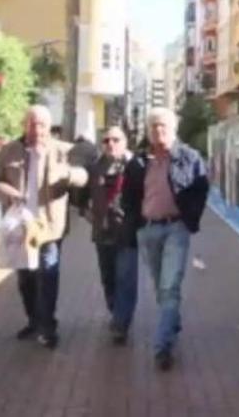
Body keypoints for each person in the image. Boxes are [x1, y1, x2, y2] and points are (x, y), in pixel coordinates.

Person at [0, 105, 88, 349]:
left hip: (49, 226)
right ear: (25, 125)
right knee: (26, 278)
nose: (38, 130)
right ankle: (34, 320)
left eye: (42, 125)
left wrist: (66, 173)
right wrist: (10, 194)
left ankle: (47, 326)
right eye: (33, 124)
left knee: (48, 273)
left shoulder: (63, 150)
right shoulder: (9, 151)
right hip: (21, 224)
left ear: (49, 127)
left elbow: (84, 175)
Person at [121, 107, 208, 371]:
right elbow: (129, 197)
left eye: (164, 126)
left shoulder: (189, 158)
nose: (159, 131)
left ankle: (162, 346)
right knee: (161, 286)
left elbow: (201, 189)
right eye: (154, 126)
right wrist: (135, 224)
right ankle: (173, 320)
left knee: (170, 286)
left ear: (174, 129)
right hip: (148, 230)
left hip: (176, 229)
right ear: (148, 131)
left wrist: (190, 217)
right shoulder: (138, 163)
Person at [85, 126, 137, 345]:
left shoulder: (136, 166)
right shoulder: (95, 168)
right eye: (106, 140)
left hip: (127, 232)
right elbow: (80, 197)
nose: (111, 144)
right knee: (108, 278)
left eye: (116, 139)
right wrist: (89, 214)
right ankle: (116, 311)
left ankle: (121, 323)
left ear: (125, 142)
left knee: (125, 278)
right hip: (102, 233)